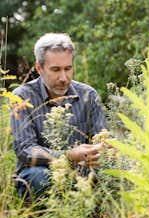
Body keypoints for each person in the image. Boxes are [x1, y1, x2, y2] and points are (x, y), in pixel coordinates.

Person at [11, 33, 107, 198]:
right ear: (39, 68)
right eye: (55, 69)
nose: (63, 78)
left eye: (68, 68)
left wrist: (100, 150)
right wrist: (69, 156)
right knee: (39, 178)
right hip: (41, 173)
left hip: (83, 172)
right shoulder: (22, 97)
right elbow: (25, 149)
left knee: (113, 174)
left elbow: (103, 138)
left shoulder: (88, 94)